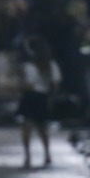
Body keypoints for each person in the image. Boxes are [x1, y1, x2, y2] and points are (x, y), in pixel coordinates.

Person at [17, 35, 61, 170]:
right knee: (42, 128)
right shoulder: (51, 65)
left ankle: (27, 155)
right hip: (42, 97)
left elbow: (25, 84)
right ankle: (47, 154)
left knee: (27, 127)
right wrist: (51, 97)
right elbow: (56, 83)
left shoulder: (27, 66)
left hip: (30, 96)